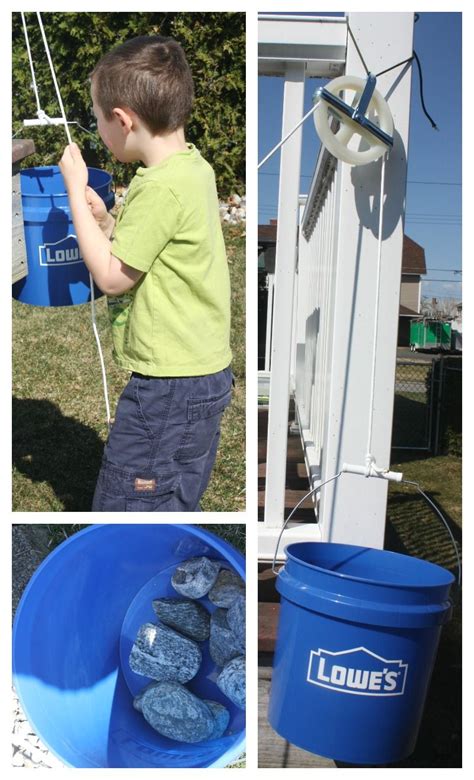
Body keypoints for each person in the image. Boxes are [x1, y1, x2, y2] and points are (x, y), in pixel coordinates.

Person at [58, 35, 233, 511]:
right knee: (172, 492)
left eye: (98, 120)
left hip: (171, 388)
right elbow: (155, 249)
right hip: (201, 376)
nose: (98, 131)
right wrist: (107, 222)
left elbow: (113, 277)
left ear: (123, 119)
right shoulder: (191, 169)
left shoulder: (160, 188)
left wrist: (74, 191)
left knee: (129, 502)